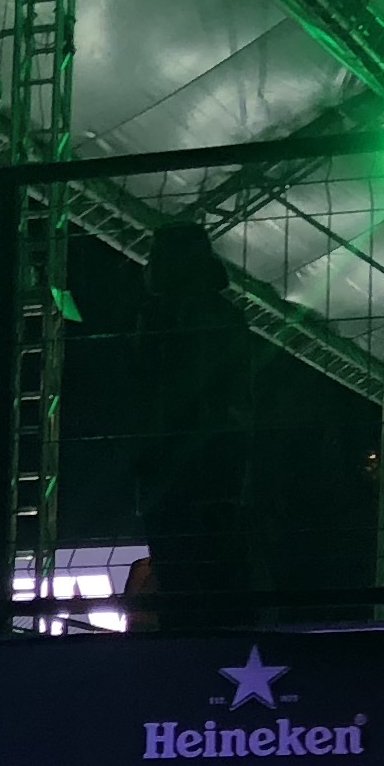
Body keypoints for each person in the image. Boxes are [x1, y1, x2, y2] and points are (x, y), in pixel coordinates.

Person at [130, 218, 266, 632]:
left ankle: (188, 646)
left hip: (176, 467)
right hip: (217, 466)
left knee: (181, 570)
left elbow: (146, 392)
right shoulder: (225, 314)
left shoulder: (159, 317)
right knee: (216, 566)